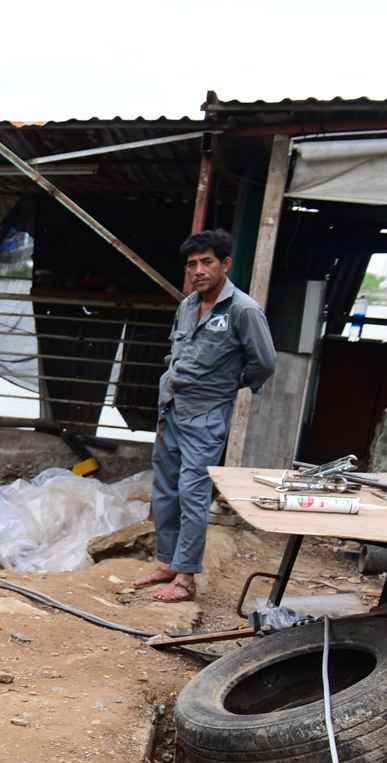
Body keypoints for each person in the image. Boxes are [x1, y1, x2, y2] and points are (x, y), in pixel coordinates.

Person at [133, 229, 277, 603]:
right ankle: (168, 562)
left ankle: (186, 578)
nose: (199, 270)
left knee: (192, 494)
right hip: (172, 411)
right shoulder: (187, 305)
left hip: (206, 415)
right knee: (165, 490)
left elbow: (264, 362)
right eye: (192, 264)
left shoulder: (243, 310)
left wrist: (227, 384)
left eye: (207, 262)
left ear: (225, 264)